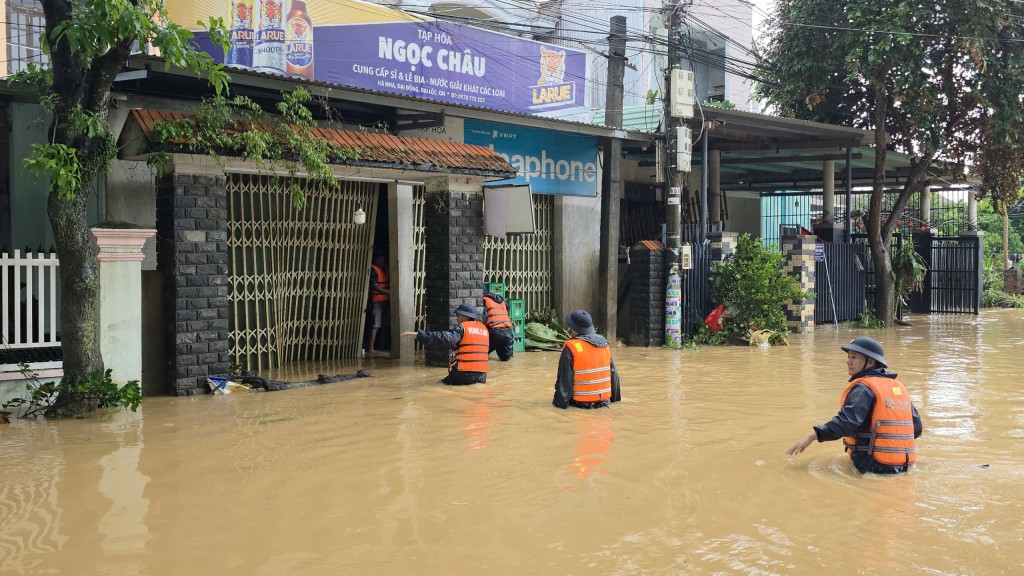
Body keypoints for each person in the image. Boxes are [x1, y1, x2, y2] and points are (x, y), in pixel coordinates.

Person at [786, 336, 923, 474]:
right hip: (906, 465)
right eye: (849, 357)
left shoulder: (864, 388)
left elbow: (846, 422)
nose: (848, 361)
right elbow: (916, 428)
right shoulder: (898, 387)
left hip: (873, 465)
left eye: (853, 357)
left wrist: (813, 436)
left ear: (869, 362)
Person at [400, 303, 489, 385]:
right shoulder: (484, 329)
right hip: (482, 376)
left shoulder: (462, 328)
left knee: (437, 385)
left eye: (458, 315)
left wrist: (420, 335)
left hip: (464, 374)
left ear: (464, 317)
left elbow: (443, 339)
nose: (457, 318)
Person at [553, 309, 621, 409]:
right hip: (605, 402)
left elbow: (565, 381)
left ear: (573, 328)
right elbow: (614, 376)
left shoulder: (571, 348)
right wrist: (615, 399)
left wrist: (558, 405)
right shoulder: (604, 345)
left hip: (581, 405)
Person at [482, 287, 515, 361]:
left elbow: (484, 317)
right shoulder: (501, 300)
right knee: (507, 360)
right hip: (508, 333)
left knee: (481, 355)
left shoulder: (484, 300)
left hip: (494, 333)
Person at [367, 253, 390, 356]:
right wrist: (391, 292)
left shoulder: (385, 269)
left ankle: (381, 346)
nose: (381, 261)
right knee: (376, 325)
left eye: (382, 259)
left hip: (385, 301)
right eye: (379, 259)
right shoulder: (373, 269)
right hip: (376, 301)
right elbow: (375, 287)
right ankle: (371, 348)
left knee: (385, 325)